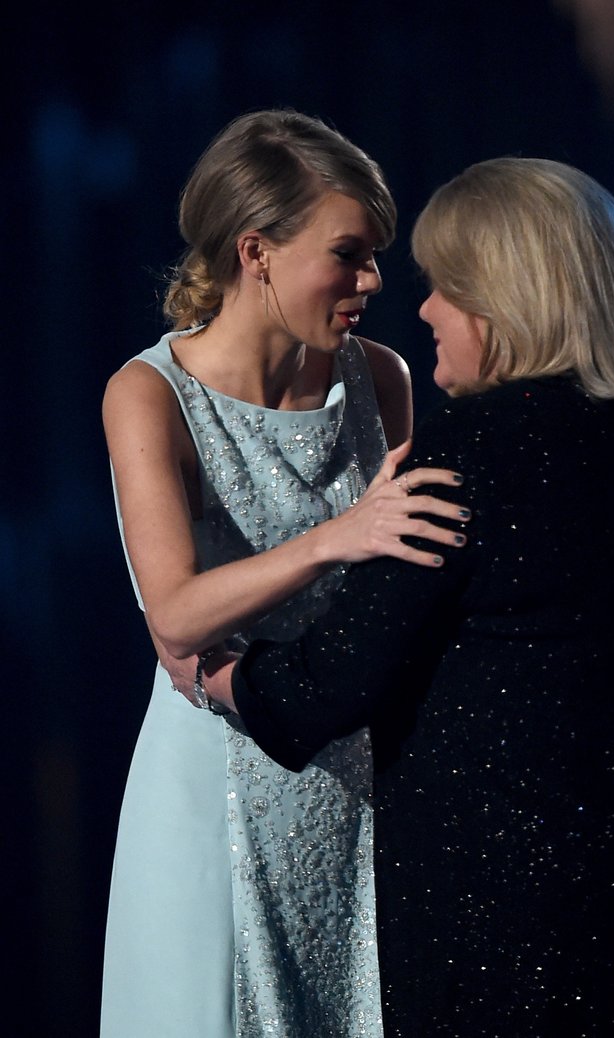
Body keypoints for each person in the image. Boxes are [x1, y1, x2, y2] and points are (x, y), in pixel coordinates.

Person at [183, 157, 614, 1037]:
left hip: (505, 943)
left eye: (442, 287)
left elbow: (327, 688)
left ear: (503, 304)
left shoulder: (467, 461)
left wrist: (214, 673)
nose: (423, 310)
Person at [99, 109, 468, 1038]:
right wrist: (337, 535)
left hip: (358, 781)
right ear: (256, 251)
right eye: (349, 254)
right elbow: (176, 615)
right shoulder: (149, 394)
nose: (373, 282)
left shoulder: (379, 376)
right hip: (211, 782)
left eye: (376, 257)